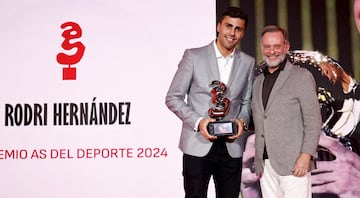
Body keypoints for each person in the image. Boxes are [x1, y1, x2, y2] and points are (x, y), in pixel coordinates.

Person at [165, 7, 254, 198]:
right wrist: (199, 122)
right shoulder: (193, 56)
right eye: (228, 26)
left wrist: (241, 122)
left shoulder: (248, 62)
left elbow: (246, 102)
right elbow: (173, 97)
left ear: (243, 33)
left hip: (232, 147)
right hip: (198, 144)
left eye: (238, 29)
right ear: (218, 26)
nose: (232, 33)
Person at [251, 25, 322, 198]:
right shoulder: (258, 81)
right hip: (265, 165)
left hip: (294, 164)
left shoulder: (301, 76)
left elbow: (313, 120)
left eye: (277, 46)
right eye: (267, 46)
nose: (272, 51)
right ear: (262, 48)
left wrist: (306, 156)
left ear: (286, 46)